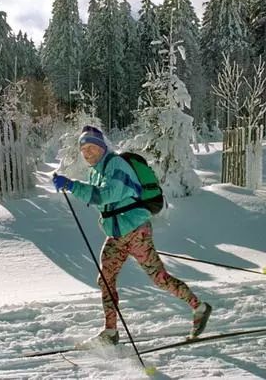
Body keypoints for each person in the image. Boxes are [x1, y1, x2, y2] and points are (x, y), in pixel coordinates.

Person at [52, 126, 212, 345]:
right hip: (117, 236)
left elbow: (108, 194)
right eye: (83, 149)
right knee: (106, 280)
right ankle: (110, 332)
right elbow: (101, 196)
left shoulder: (116, 164)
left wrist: (71, 185)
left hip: (136, 232)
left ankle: (200, 307)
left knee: (159, 278)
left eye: (91, 147)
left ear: (101, 147)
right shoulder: (96, 170)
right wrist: (73, 186)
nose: (87, 153)